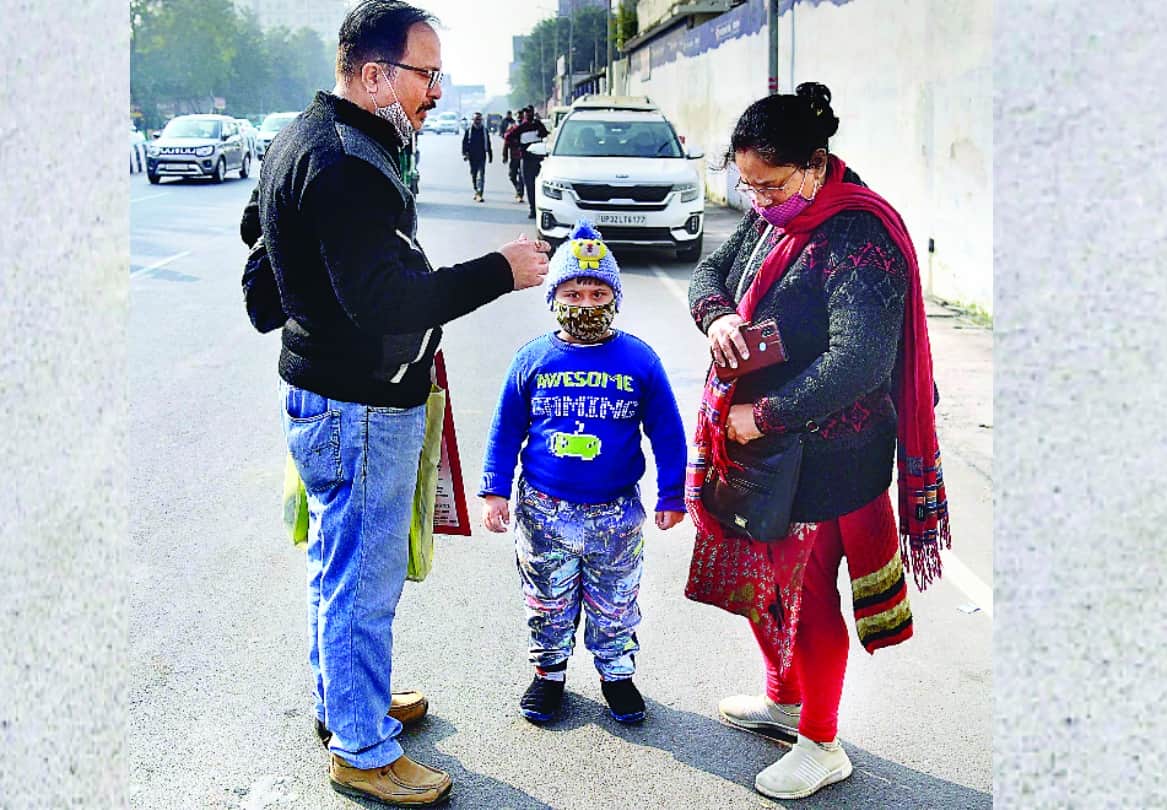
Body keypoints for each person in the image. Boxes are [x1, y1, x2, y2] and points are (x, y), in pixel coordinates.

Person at [248, 1, 551, 805]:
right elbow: (384, 303)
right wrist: (501, 269)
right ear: (375, 74)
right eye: (427, 74)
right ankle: (362, 749)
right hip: (357, 407)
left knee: (337, 565)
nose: (436, 92)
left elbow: (261, 256)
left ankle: (347, 702)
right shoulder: (344, 160)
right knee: (362, 581)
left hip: (329, 395)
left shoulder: (309, 136)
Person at [683, 82, 950, 801]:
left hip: (832, 457)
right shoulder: (777, 216)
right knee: (768, 584)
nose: (758, 200)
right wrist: (717, 317)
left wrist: (764, 415)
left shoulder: (858, 235)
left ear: (815, 164)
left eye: (770, 185)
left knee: (807, 599)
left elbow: (859, 362)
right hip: (767, 450)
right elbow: (710, 270)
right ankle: (785, 699)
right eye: (748, 186)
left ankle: (822, 743)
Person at [478, 220, 688, 725]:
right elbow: (506, 429)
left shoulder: (639, 360)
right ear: (553, 298)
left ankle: (616, 674)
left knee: (616, 599)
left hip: (616, 514)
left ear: (615, 298)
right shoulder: (533, 359)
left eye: (598, 293)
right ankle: (548, 674)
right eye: (573, 293)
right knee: (547, 600)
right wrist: (494, 490)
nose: (586, 304)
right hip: (543, 513)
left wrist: (672, 494)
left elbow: (667, 431)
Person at [504, 106, 550, 219]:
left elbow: (545, 134)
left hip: (538, 159)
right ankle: (533, 209)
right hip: (526, 160)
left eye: (530, 112)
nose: (529, 114)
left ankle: (540, 209)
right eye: (527, 113)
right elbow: (508, 137)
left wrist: (540, 133)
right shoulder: (521, 127)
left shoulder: (538, 124)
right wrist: (518, 144)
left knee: (540, 186)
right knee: (529, 186)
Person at [461, 111, 492, 202]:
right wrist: (464, 153)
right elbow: (464, 143)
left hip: (482, 155)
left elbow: (488, 143)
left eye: (479, 119)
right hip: (472, 156)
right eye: (476, 119)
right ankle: (476, 189)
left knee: (481, 175)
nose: (477, 121)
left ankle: (479, 193)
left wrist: (490, 154)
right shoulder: (469, 131)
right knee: (474, 174)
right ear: (473, 120)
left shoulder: (484, 131)